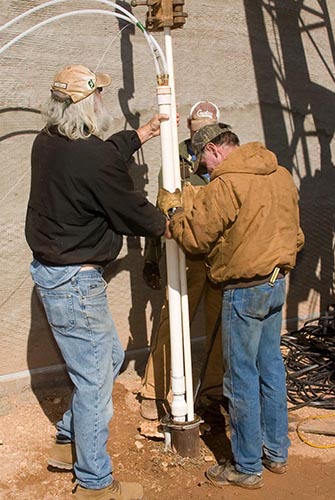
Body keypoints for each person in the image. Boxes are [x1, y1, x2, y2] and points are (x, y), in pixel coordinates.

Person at [25, 64, 169, 500]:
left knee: (105, 356)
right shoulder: (94, 158)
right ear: (89, 103)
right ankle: (94, 483)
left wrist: (140, 134)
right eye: (100, 96)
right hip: (76, 283)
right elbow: (133, 211)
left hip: (54, 273)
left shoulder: (46, 142)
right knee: (94, 381)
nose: (104, 101)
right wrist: (171, 222)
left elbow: (99, 157)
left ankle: (69, 441)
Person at [158, 123, 305, 489]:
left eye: (203, 163)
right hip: (275, 283)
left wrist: (175, 214)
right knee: (270, 370)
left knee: (239, 378)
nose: (205, 170)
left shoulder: (227, 184)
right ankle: (277, 452)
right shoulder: (280, 173)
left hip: (243, 290)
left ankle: (246, 466)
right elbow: (296, 235)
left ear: (213, 151)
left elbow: (195, 239)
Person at [140, 102, 224, 421]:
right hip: (186, 257)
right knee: (172, 323)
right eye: (198, 128)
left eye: (209, 129)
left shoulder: (224, 158)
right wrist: (152, 259)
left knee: (218, 326)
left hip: (218, 256)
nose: (203, 135)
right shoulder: (175, 160)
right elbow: (162, 210)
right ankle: (154, 392)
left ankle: (213, 392)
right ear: (188, 127)